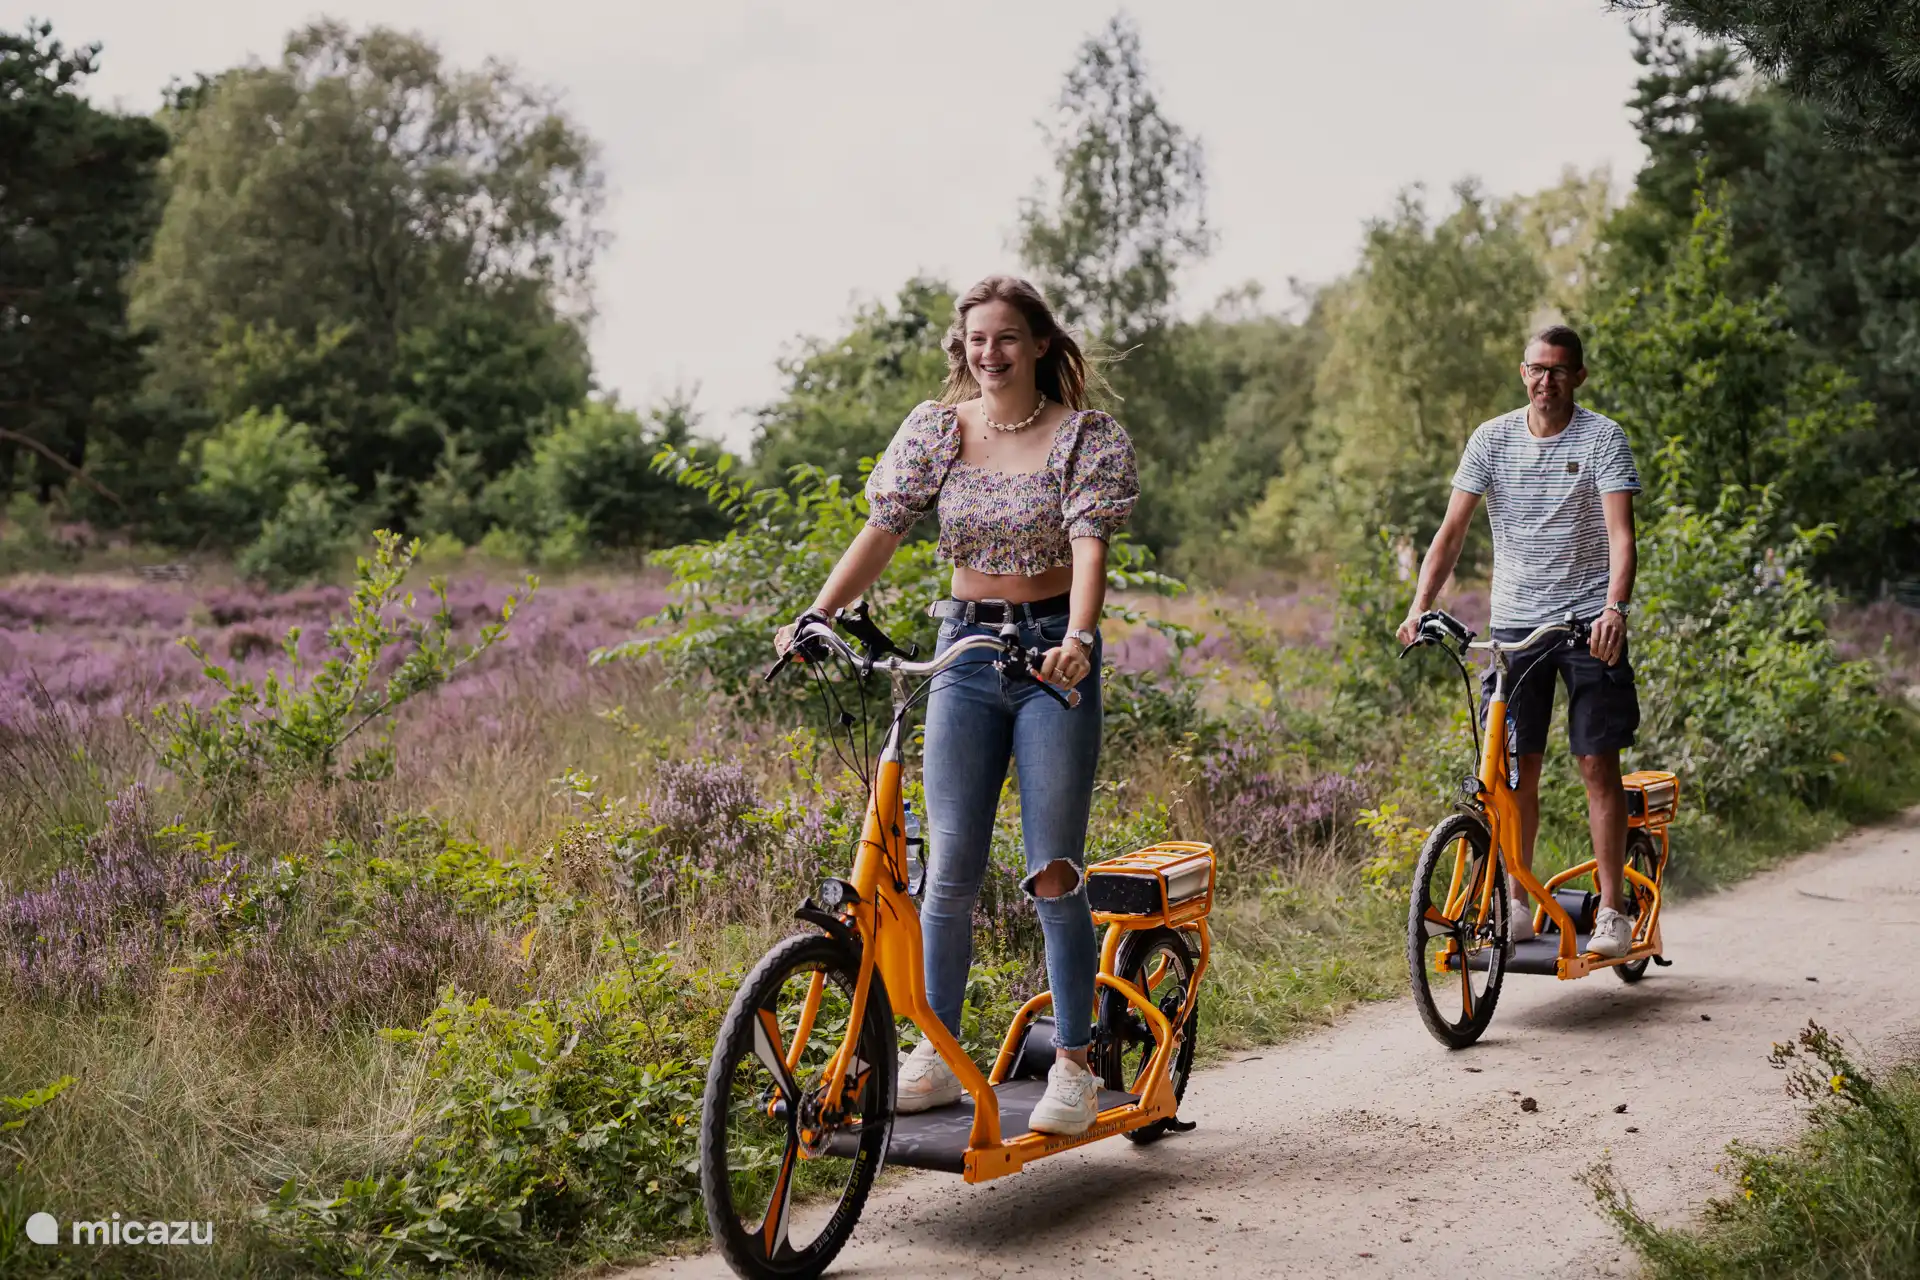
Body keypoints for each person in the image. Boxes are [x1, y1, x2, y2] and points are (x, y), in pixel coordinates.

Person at [773, 275, 1138, 1135]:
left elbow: (1089, 546)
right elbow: (884, 531)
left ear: (1039, 343)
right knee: (948, 872)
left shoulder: (1083, 437)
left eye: (1006, 337)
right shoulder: (938, 430)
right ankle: (935, 1053)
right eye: (977, 339)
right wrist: (818, 614)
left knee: (1054, 871)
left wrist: (1080, 636)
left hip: (1051, 655)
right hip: (964, 651)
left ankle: (1076, 1066)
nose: (990, 352)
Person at [1395, 324, 1642, 957]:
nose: (1545, 380)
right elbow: (1451, 533)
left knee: (1596, 763)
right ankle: (1516, 901)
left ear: (1578, 376)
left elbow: (1621, 535)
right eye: (1536, 368)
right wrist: (1420, 606)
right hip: (1515, 627)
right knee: (1511, 771)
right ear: (1522, 373)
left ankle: (1612, 911)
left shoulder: (1602, 438)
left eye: (1558, 370)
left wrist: (1615, 609)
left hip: (1587, 623)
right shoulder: (1492, 439)